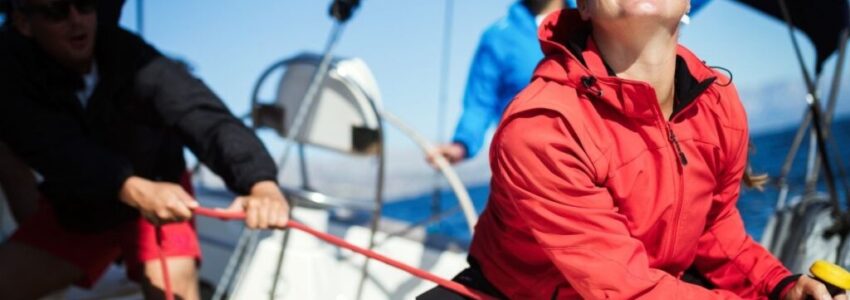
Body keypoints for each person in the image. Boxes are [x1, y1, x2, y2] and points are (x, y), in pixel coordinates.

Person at [462, 1, 841, 299]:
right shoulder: (544, 128)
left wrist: (776, 286)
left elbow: (712, 227)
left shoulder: (718, 104)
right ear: (584, 7)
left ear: (689, 2)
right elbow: (625, 290)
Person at [0, 0, 289, 299]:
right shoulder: (9, 73)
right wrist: (129, 187)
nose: (77, 20)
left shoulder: (131, 55)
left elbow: (203, 115)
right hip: (79, 207)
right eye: (56, 12)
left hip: (163, 193)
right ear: (23, 22)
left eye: (86, 5)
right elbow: (51, 147)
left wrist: (261, 182)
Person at [428, 0, 568, 165]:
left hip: (590, 160)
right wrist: (461, 144)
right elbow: (479, 103)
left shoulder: (593, 22)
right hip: (524, 165)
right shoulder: (497, 37)